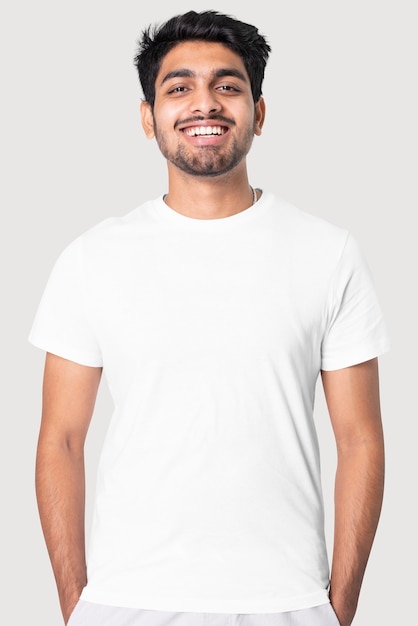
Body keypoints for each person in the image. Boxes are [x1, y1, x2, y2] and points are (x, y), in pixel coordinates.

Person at [29, 10, 390, 626]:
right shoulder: (92, 258)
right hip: (126, 601)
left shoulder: (328, 252)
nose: (206, 104)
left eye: (228, 86)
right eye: (179, 88)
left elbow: (360, 439)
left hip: (288, 601)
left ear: (260, 112)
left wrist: (340, 606)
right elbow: (60, 439)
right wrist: (77, 603)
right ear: (148, 118)